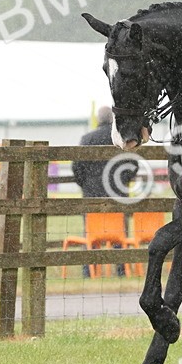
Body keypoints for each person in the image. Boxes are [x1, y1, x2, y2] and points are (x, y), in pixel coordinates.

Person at [72, 105, 131, 276]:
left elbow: (77, 168)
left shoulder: (87, 139)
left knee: (91, 234)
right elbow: (132, 164)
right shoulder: (120, 139)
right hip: (117, 194)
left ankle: (89, 272)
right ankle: (121, 270)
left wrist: (86, 183)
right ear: (113, 119)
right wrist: (122, 181)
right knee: (120, 233)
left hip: (92, 194)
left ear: (98, 119)